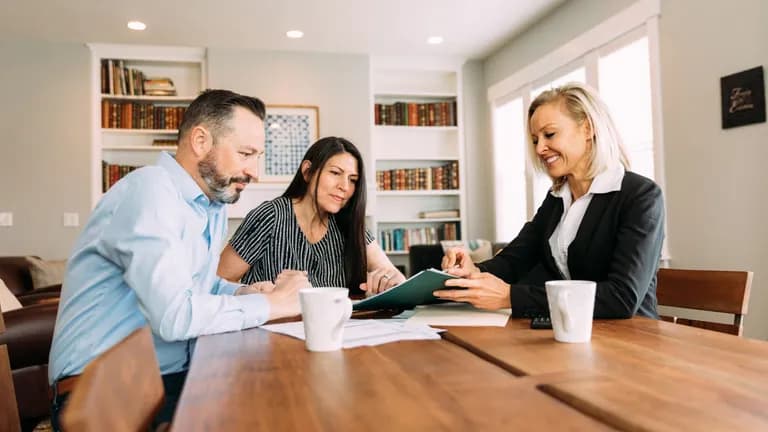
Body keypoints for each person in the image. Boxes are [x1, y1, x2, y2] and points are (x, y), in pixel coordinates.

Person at [48, 89, 308, 430]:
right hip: (102, 397)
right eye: (246, 153)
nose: (254, 171)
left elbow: (198, 283)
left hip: (165, 377)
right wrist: (274, 305)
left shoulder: (207, 203)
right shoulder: (150, 192)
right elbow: (175, 316)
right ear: (200, 141)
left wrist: (246, 293)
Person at [436, 82, 664, 319]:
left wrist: (510, 297)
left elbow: (621, 297)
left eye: (550, 134)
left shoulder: (641, 196)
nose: (540, 148)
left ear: (588, 129)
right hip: (573, 332)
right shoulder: (557, 198)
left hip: (631, 340)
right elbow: (515, 260)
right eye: (535, 140)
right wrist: (473, 271)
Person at [218, 136, 405, 296]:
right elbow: (219, 281)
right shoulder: (270, 216)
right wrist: (253, 292)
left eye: (353, 180)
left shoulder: (348, 224)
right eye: (335, 173)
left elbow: (394, 276)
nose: (345, 186)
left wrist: (391, 279)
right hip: (271, 332)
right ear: (308, 171)